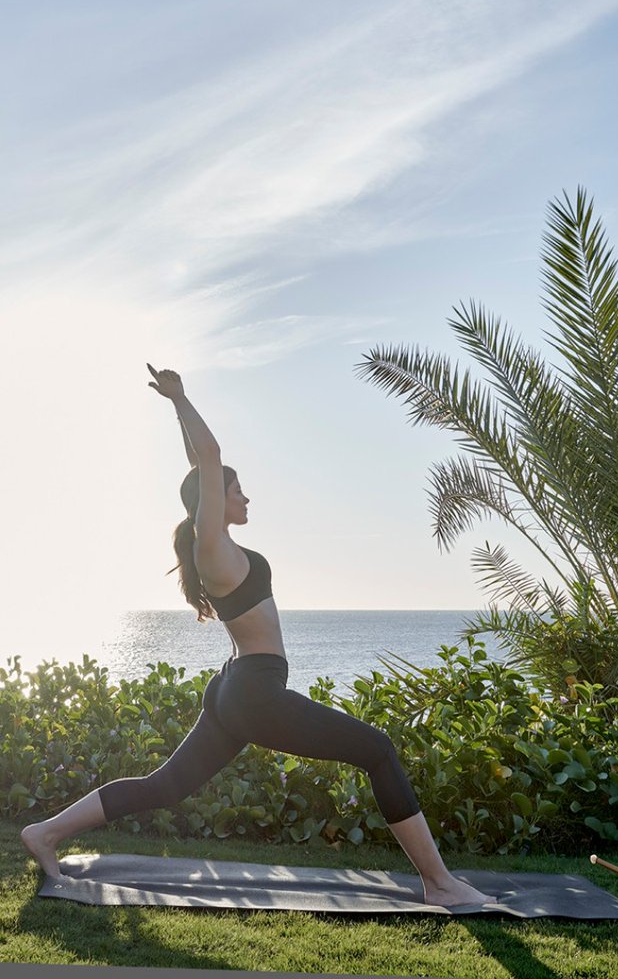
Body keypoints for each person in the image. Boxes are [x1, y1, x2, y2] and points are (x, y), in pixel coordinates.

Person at [22, 365, 489, 909]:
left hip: (236, 687)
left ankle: (46, 832)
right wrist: (180, 399)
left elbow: (203, 469)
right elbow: (208, 460)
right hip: (254, 691)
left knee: (164, 787)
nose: (247, 499)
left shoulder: (220, 551)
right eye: (238, 492)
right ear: (215, 503)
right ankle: (439, 883)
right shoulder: (211, 547)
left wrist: (182, 419)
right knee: (379, 752)